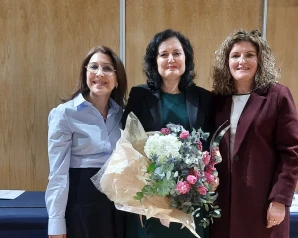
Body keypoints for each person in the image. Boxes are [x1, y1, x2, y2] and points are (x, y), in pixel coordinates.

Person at [210, 29, 298, 238]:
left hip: (262, 203)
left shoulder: (277, 96)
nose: (242, 61)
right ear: (226, 62)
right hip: (223, 203)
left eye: (249, 55)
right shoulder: (217, 99)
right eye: (235, 56)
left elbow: (291, 153)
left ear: (260, 60)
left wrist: (280, 199)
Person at [122, 29, 212, 238]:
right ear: (155, 61)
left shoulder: (203, 98)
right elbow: (127, 145)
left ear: (186, 58)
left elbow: (209, 147)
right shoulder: (140, 95)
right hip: (150, 200)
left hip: (189, 199)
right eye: (163, 54)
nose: (170, 59)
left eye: (177, 53)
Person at [45, 45, 127, 238]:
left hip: (118, 207)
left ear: (117, 80)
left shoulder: (123, 115)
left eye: (107, 68)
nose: (99, 73)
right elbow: (58, 174)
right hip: (82, 205)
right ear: (85, 74)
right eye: (93, 67)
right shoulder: (64, 114)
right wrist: (56, 222)